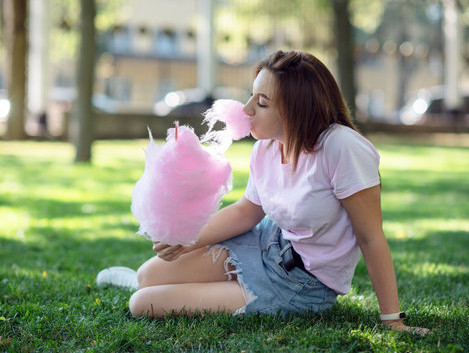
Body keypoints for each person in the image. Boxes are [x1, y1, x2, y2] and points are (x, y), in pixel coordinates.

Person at [97, 50, 428, 335]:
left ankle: (211, 291)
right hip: (267, 243)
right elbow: (246, 211)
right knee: (146, 275)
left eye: (262, 102)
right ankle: (182, 284)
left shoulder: (341, 148)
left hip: (302, 284)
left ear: (295, 109)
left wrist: (391, 320)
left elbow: (371, 238)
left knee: (143, 303)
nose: (246, 109)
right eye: (251, 96)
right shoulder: (266, 149)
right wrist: (187, 238)